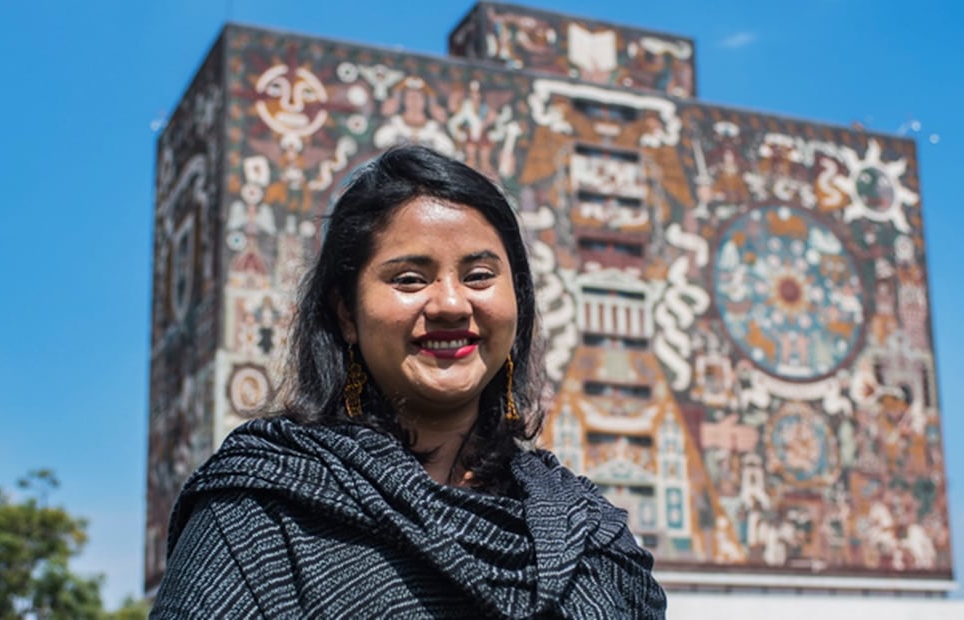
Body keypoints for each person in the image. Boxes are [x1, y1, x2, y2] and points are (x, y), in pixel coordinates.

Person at [151, 145, 667, 618]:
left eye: (479, 276)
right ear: (346, 313)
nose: (451, 304)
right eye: (409, 279)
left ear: (518, 301)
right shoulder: (259, 520)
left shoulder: (592, 541)